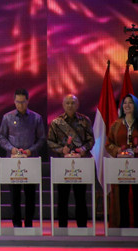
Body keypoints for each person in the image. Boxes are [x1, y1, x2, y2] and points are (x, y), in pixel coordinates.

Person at [0, 88, 45, 228]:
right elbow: (1, 136)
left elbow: (41, 138)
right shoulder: (7, 117)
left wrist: (30, 151)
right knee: (14, 195)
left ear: (28, 101)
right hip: (13, 161)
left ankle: (29, 222)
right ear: (14, 101)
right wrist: (11, 148)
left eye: (23, 102)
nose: (20, 105)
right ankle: (16, 224)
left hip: (30, 160)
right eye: (17, 102)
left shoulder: (36, 118)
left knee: (30, 195)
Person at [106, 93, 138, 228]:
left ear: (136, 106)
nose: (127, 105)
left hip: (137, 164)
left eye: (130, 103)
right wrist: (117, 152)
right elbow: (108, 144)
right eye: (125, 103)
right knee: (121, 195)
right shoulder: (115, 125)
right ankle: (122, 225)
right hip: (120, 165)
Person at [47, 94, 95, 228]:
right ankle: (62, 228)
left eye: (72, 103)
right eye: (67, 103)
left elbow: (91, 139)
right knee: (62, 197)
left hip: (80, 162)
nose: (70, 105)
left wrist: (84, 149)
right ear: (63, 105)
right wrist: (61, 149)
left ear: (77, 104)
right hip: (63, 163)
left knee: (81, 197)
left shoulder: (85, 120)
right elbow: (50, 142)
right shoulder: (56, 122)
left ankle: (82, 228)